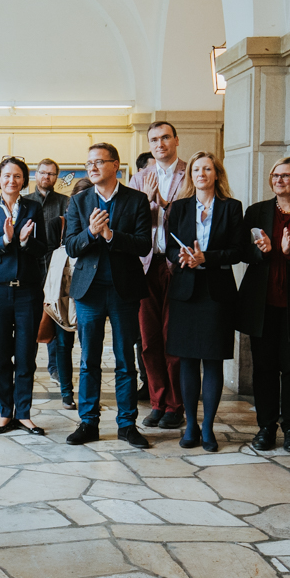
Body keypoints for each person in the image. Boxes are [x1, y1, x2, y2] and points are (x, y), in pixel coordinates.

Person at [64, 143, 152, 447]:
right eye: (89, 163)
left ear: (115, 165)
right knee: (89, 359)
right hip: (89, 292)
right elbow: (71, 246)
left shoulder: (136, 200)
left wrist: (110, 235)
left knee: (126, 359)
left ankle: (127, 425)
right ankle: (88, 422)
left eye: (99, 162)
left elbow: (143, 245)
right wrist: (90, 233)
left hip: (123, 290)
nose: (92, 168)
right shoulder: (78, 201)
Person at [239, 158, 290, 453]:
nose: (279, 180)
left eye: (286, 175)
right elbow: (242, 252)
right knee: (263, 368)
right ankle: (266, 427)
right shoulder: (257, 211)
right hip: (262, 303)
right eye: (275, 175)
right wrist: (261, 252)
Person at [165, 151, 243, 452]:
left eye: (207, 168)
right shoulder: (180, 207)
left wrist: (206, 258)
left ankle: (208, 427)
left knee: (212, 361)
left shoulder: (231, 208)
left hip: (217, 293)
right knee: (187, 361)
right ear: (191, 175)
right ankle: (191, 426)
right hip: (185, 292)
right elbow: (170, 248)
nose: (201, 173)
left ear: (216, 174)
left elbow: (237, 250)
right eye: (196, 169)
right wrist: (182, 257)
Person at [0, 157, 48, 434]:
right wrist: (6, 240)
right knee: (2, 356)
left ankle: (25, 413)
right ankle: (5, 413)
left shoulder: (34, 208)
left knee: (26, 355)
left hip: (28, 292)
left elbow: (42, 247)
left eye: (17, 176)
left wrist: (24, 241)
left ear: (24, 181)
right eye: (7, 176)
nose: (12, 181)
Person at [130, 122, 188, 431]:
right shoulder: (139, 179)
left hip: (177, 265)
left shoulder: (192, 173)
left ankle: (175, 405)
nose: (160, 143)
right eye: (154, 139)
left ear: (176, 140)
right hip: (146, 265)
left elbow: (191, 218)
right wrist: (147, 202)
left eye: (165, 137)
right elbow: (131, 222)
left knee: (173, 338)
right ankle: (157, 401)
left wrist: (160, 203)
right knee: (149, 340)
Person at [25, 159, 75, 409]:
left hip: (58, 272)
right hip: (33, 270)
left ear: (57, 177)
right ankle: (29, 370)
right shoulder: (26, 201)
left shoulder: (64, 202)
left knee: (58, 321)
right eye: (43, 173)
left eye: (52, 174)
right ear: (36, 174)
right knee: (36, 323)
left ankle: (56, 367)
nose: (47, 177)